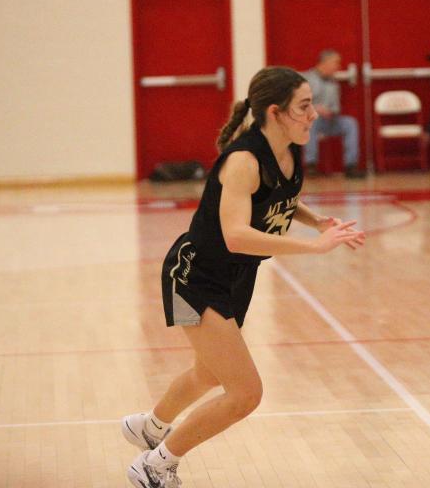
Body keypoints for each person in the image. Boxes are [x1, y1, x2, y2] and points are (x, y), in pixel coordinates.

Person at [122, 67, 366, 488]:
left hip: (235, 277)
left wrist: (316, 221)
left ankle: (150, 426)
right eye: (304, 106)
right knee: (245, 393)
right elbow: (236, 236)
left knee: (211, 372)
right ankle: (155, 464)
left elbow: (280, 196)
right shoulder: (243, 160)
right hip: (193, 276)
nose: (314, 114)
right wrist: (313, 248)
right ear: (276, 112)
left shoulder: (287, 150)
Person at [302, 49, 365, 178]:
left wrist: (332, 112)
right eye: (336, 63)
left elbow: (335, 106)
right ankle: (311, 165)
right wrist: (315, 108)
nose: (338, 66)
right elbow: (299, 104)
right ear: (325, 63)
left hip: (329, 120)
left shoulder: (333, 82)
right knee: (311, 123)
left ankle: (350, 166)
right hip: (311, 118)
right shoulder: (306, 79)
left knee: (350, 123)